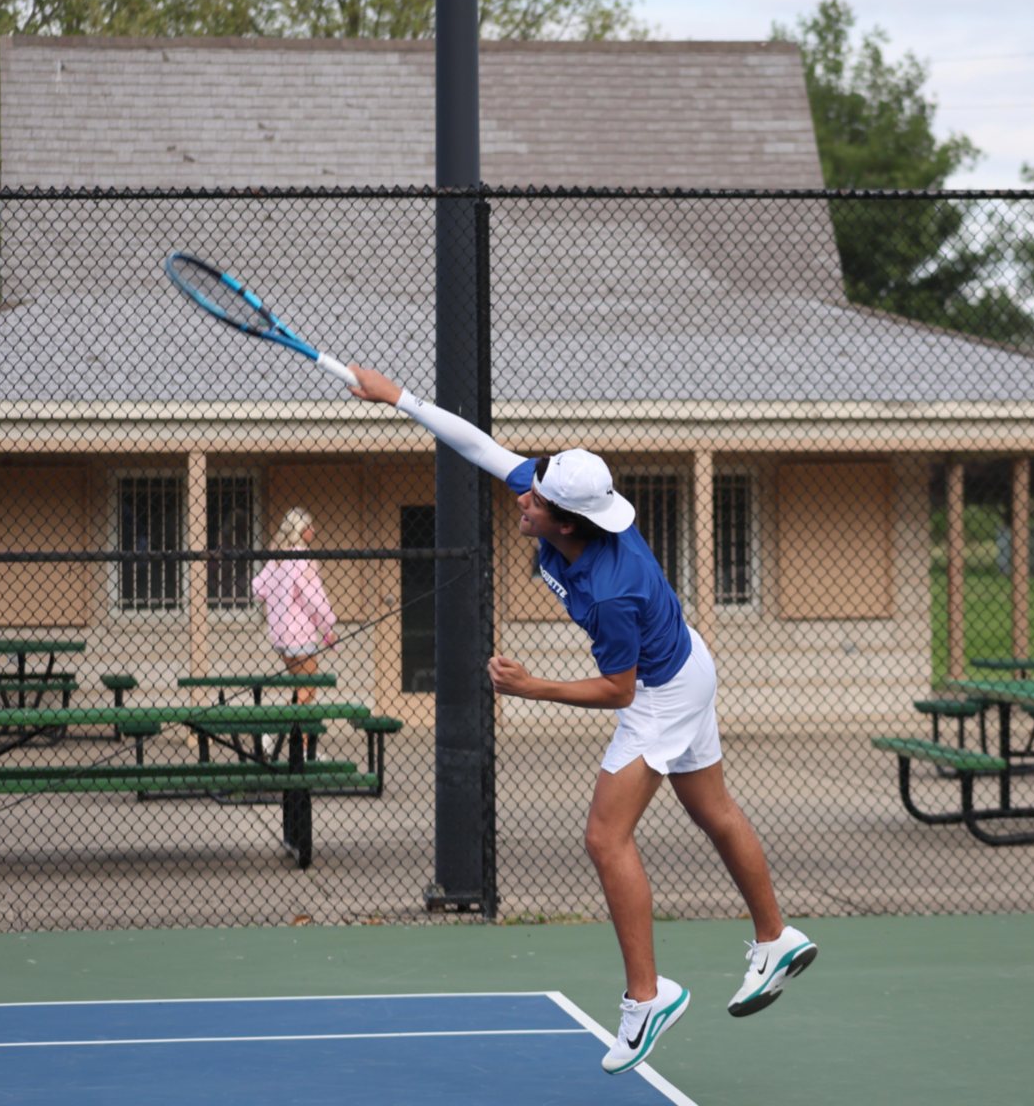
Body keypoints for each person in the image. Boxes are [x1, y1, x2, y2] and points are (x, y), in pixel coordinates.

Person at [347, 366, 816, 1076]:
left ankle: (646, 998)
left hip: (659, 690)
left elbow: (620, 692)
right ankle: (775, 937)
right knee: (712, 809)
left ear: (568, 522)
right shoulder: (561, 507)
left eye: (535, 502)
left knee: (605, 837)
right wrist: (400, 400)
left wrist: (531, 686)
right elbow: (480, 448)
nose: (523, 497)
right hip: (689, 664)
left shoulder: (610, 589)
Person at [250, 507, 338, 759]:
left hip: (281, 636)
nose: (314, 530)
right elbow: (314, 597)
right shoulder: (302, 558)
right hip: (301, 635)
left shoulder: (278, 557)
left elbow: (258, 588)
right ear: (300, 530)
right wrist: (328, 625)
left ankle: (306, 750)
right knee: (308, 690)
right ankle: (272, 733)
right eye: (309, 526)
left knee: (304, 691)